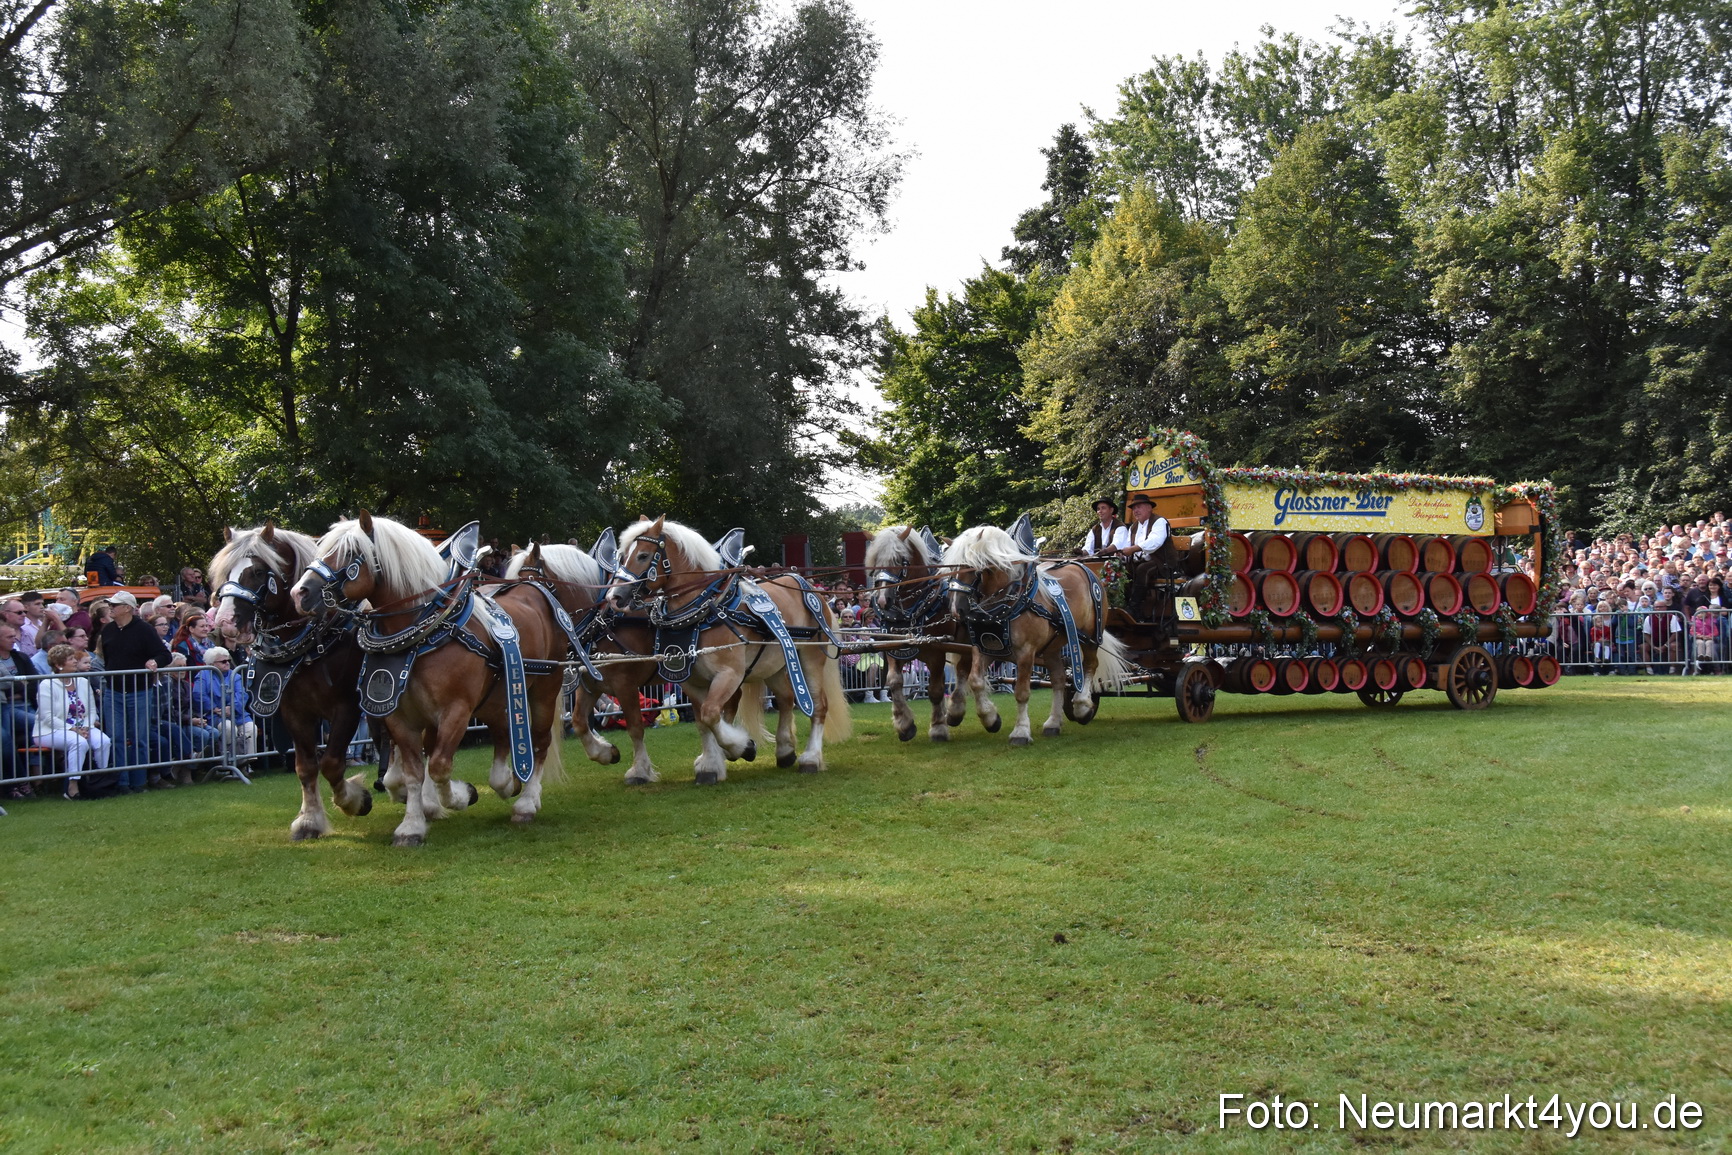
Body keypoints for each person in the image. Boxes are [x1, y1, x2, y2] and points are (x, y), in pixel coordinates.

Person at [99, 590, 184, 793]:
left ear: (127, 608)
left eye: (114, 605)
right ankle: (121, 782)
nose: (111, 608)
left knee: (139, 738)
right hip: (113, 691)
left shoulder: (144, 630)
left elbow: (164, 654)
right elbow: (107, 658)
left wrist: (154, 661)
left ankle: (138, 782)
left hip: (138, 691)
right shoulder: (108, 630)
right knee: (116, 738)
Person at [33, 643, 110, 800]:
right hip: (50, 730)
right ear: (58, 665)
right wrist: (73, 729)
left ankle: (99, 783)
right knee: (78, 742)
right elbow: (47, 716)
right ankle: (72, 786)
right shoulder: (47, 684)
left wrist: (86, 727)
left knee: (104, 741)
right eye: (70, 659)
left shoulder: (82, 681)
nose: (75, 661)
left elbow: (91, 710)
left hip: (82, 726)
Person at [192, 647, 255, 768]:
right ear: (211, 664)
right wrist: (214, 708)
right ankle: (229, 762)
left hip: (237, 713)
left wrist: (232, 707)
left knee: (251, 728)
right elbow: (198, 694)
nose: (227, 663)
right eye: (223, 661)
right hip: (215, 715)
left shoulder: (234, 675)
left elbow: (242, 694)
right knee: (228, 728)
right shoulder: (203, 675)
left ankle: (247, 762)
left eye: (228, 660)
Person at [1109, 493, 1172, 614]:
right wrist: (1121, 555)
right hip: (1140, 562)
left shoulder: (1159, 521)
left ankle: (1134, 608)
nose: (1135, 511)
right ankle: (1121, 604)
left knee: (1142, 569)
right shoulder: (1133, 527)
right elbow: (1127, 546)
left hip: (1162, 562)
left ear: (1149, 508)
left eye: (1139, 507)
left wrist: (1133, 549)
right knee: (1121, 569)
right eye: (1134, 508)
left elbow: (1155, 542)